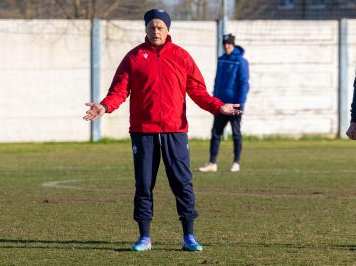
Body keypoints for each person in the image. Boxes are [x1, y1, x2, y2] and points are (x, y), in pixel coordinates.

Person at [83, 9, 242, 252]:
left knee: (182, 183)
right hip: (143, 132)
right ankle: (144, 237)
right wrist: (105, 106)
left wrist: (219, 107)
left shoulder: (181, 57)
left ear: (168, 30)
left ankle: (189, 236)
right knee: (144, 183)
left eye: (160, 27)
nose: (156, 31)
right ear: (145, 29)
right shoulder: (133, 58)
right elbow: (119, 91)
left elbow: (198, 92)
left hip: (175, 131)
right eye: (151, 27)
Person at [198, 33, 249, 173]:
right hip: (220, 105)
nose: (226, 46)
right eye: (224, 43)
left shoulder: (241, 61)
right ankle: (212, 163)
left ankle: (236, 162)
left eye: (229, 43)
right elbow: (217, 80)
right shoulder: (221, 60)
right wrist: (214, 100)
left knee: (236, 133)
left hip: (235, 105)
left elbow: (244, 83)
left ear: (233, 44)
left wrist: (240, 103)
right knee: (215, 133)